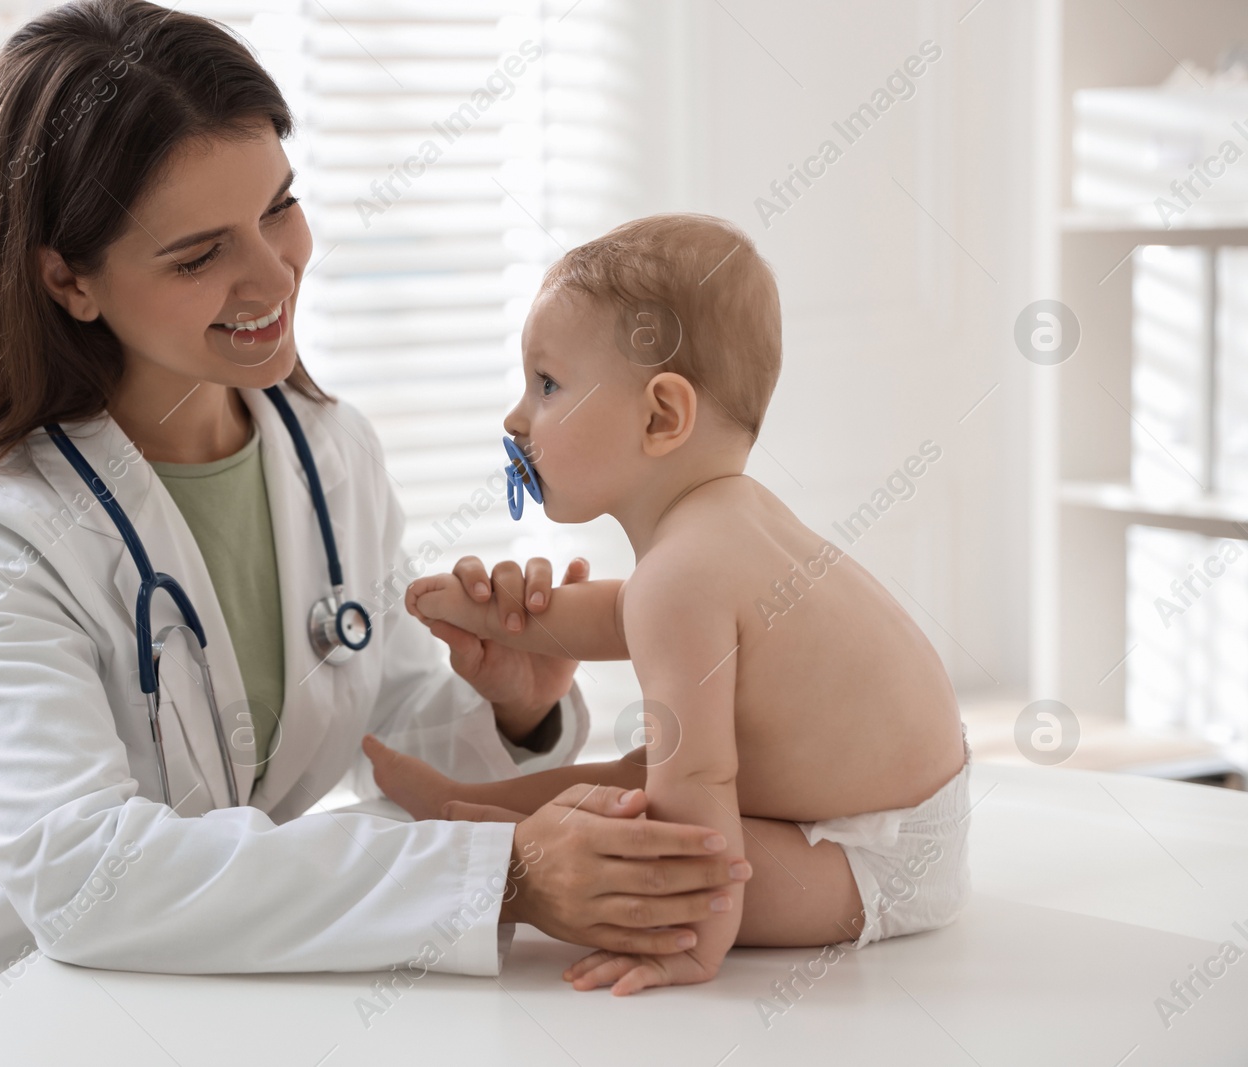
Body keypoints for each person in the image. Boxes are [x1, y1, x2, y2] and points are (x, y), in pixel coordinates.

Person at [0, 4, 747, 1057]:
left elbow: (385, 732)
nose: (273, 275)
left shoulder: (325, 449)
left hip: (184, 1010)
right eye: (198, 254)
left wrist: (508, 711)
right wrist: (507, 877)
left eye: (281, 207)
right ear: (65, 279)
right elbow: (87, 877)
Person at [364, 212, 973, 995]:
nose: (518, 418)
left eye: (548, 384)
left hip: (866, 862)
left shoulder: (682, 574)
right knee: (630, 777)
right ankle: (464, 806)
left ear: (661, 417)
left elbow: (703, 787)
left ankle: (483, 829)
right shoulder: (727, 522)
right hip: (890, 816)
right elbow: (621, 614)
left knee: (635, 819)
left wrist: (688, 939)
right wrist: (493, 614)